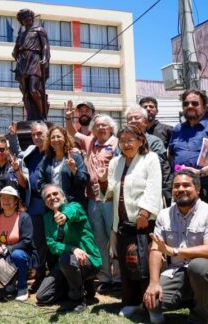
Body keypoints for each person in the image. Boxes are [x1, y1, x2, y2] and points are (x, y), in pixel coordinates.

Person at [144, 171, 208, 324]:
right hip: (179, 270)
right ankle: (195, 300)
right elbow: (156, 249)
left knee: (198, 266)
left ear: (197, 189)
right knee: (154, 302)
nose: (180, 189)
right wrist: (154, 282)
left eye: (186, 185)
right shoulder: (164, 215)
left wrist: (174, 251)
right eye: (176, 186)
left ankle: (200, 317)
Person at [104, 125, 163, 318]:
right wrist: (102, 181)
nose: (126, 144)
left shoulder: (150, 159)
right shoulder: (116, 162)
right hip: (121, 221)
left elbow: (154, 186)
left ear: (141, 141)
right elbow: (111, 190)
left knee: (144, 264)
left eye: (130, 140)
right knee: (126, 262)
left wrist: (145, 213)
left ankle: (151, 305)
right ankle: (131, 302)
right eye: (122, 141)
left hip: (143, 221)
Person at [36, 185, 101, 312]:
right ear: (45, 202)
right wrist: (72, 249)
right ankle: (84, 286)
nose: (52, 197)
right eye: (48, 196)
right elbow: (52, 245)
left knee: (66, 260)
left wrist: (64, 216)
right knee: (42, 296)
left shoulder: (75, 206)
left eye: (55, 194)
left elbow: (73, 212)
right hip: (66, 263)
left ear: (63, 197)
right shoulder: (47, 219)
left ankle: (78, 299)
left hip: (88, 260)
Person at [7, 121, 49, 292]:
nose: (37, 137)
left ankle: (55, 276)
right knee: (37, 241)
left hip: (52, 204)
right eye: (34, 134)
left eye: (40, 133)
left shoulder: (53, 151)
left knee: (53, 240)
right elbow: (18, 155)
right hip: (35, 203)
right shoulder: (31, 152)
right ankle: (40, 275)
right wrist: (12, 137)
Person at [82, 114, 120, 293]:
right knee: (99, 239)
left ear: (111, 128)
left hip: (111, 198)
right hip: (92, 199)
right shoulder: (91, 143)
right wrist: (67, 118)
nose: (101, 128)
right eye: (97, 126)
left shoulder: (118, 143)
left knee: (114, 237)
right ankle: (105, 277)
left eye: (104, 125)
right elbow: (74, 134)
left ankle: (119, 277)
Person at [0, 186, 36, 302]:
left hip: (22, 254)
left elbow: (27, 241)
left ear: (16, 201)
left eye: (9, 198)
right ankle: (9, 283)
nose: (5, 200)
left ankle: (22, 288)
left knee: (17, 254)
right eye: (3, 198)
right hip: (4, 255)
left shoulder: (24, 217)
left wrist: (4, 249)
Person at [125, 105, 172, 206]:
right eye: (130, 118)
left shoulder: (154, 141)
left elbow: (163, 167)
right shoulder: (121, 142)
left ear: (145, 122)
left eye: (137, 118)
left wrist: (165, 191)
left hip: (149, 193)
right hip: (127, 194)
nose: (133, 121)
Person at [36, 126, 89, 210]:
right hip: (52, 207)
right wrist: (52, 193)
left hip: (72, 207)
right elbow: (40, 183)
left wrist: (74, 170)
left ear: (65, 138)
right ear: (49, 141)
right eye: (53, 137)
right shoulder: (46, 159)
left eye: (58, 136)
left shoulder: (75, 156)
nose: (56, 139)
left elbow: (84, 180)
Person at [12, 8, 50, 121]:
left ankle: (42, 114)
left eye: (29, 17)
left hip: (35, 60)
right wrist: (16, 52)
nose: (28, 19)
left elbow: (45, 46)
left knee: (34, 89)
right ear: (21, 21)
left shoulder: (39, 30)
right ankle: (30, 115)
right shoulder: (21, 35)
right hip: (23, 63)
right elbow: (15, 52)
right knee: (26, 92)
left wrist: (44, 58)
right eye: (24, 18)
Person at [0, 136, 26, 205]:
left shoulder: (15, 164)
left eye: (2, 149)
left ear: (7, 150)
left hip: (13, 208)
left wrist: (17, 169)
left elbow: (24, 185)